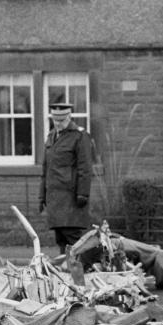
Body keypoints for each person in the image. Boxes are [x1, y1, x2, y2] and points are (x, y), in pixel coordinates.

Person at [38, 101, 94, 257]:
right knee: (61, 238)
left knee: (74, 240)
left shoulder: (80, 136)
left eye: (62, 120)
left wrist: (83, 194)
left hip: (71, 199)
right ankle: (66, 271)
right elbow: (46, 169)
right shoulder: (51, 136)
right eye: (55, 120)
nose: (58, 124)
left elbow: (85, 168)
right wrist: (41, 196)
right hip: (55, 199)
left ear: (69, 117)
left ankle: (81, 271)